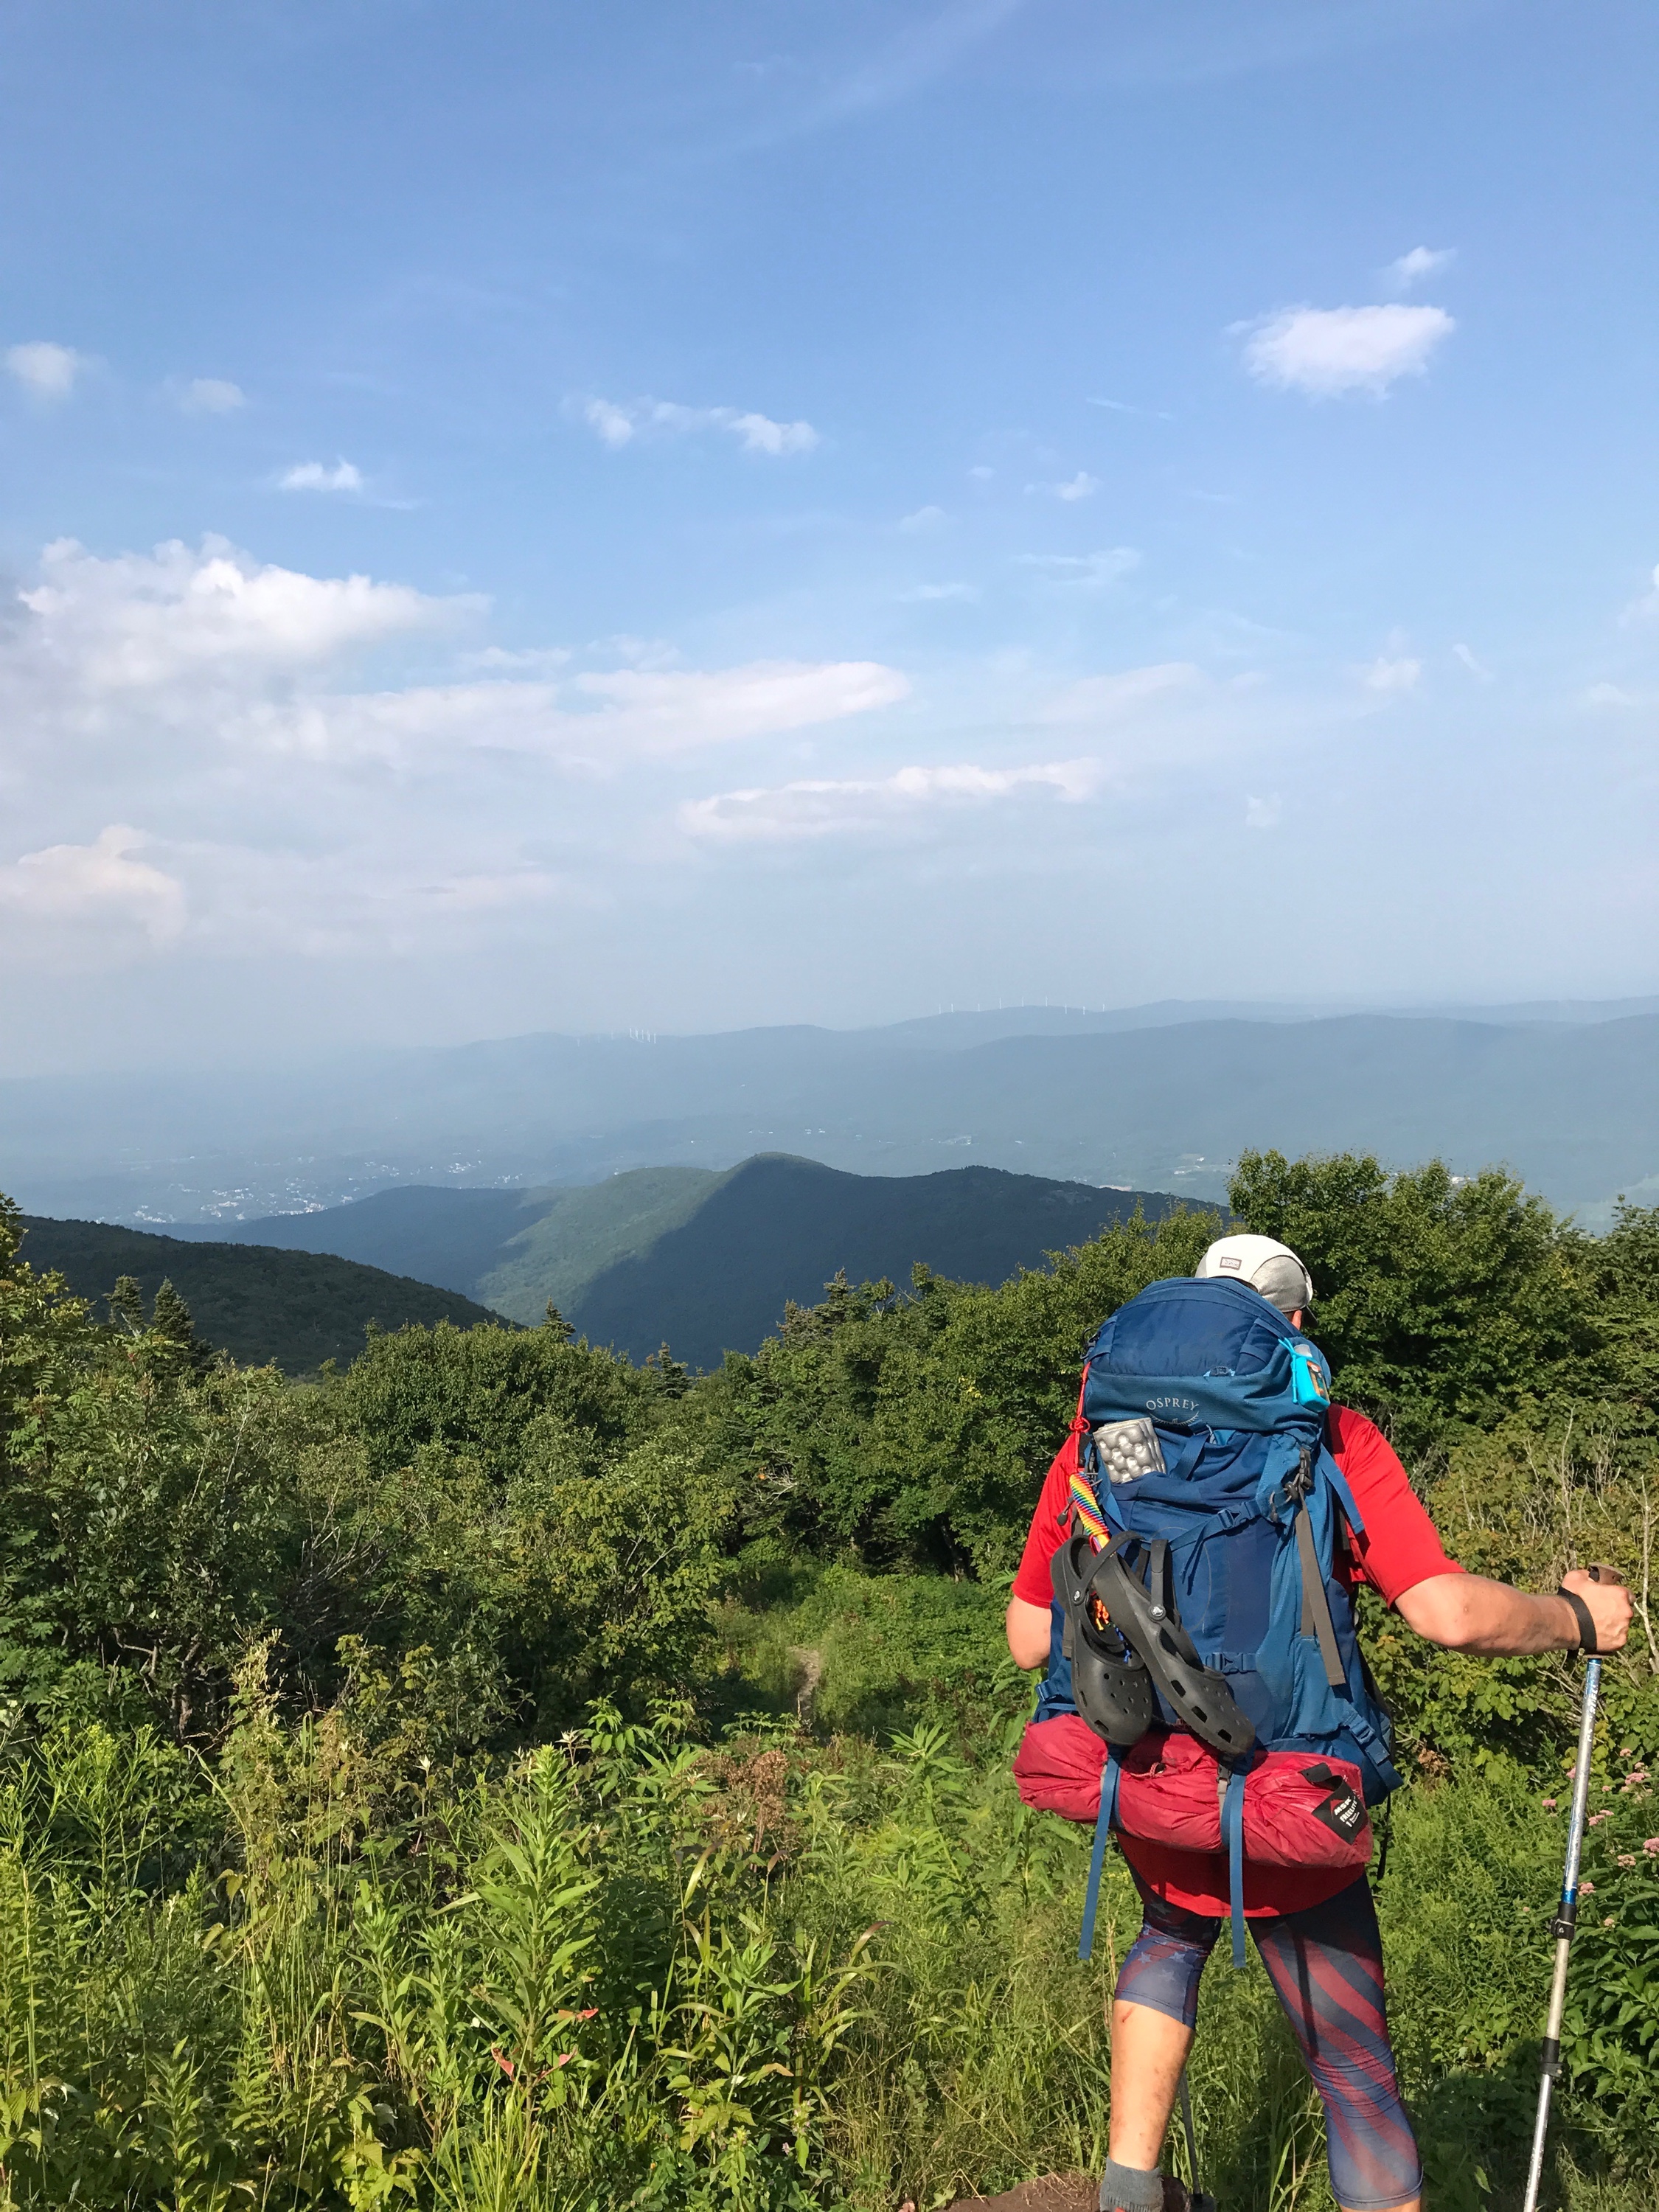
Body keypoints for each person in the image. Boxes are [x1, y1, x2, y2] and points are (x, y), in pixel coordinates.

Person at [1004, 1233, 1632, 2212]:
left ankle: (1127, 2195)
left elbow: (1027, 1640)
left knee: (1168, 1936)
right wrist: (1575, 1619)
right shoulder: (1327, 1437)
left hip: (1143, 1780)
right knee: (1351, 2071)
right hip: (1284, 1797)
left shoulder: (1106, 1444)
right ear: (1292, 1325)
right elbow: (1444, 1614)